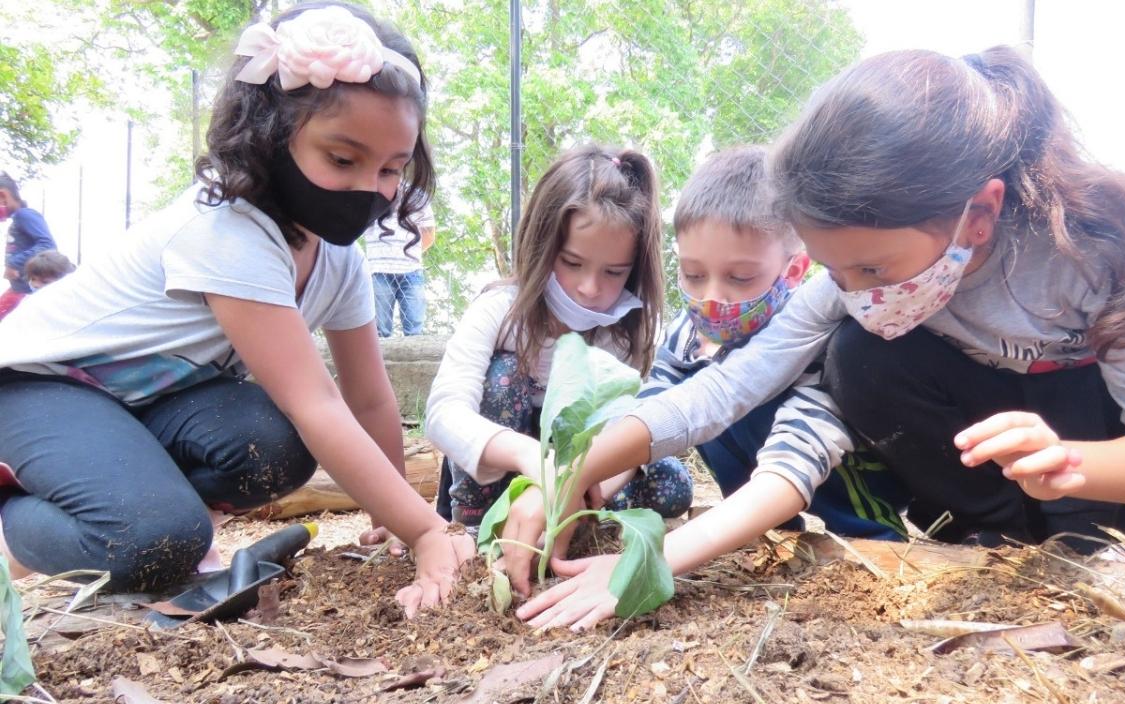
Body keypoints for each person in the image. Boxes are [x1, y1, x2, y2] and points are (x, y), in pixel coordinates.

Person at [516, 46, 1125, 630]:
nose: (856, 292)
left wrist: (1075, 463)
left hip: (1107, 450)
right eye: (834, 269)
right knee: (860, 356)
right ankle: (1001, 540)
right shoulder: (853, 290)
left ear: (980, 213)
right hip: (1000, 457)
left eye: (872, 267)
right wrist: (568, 474)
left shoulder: (1103, 259)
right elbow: (721, 389)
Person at [0, 3, 471, 615]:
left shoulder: (338, 259)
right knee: (153, 544)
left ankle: (131, 497)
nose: (369, 189)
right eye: (342, 159)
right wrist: (428, 531)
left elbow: (370, 397)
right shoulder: (227, 231)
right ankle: (28, 522)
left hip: (149, 407)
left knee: (273, 445)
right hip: (43, 389)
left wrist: (393, 515)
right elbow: (317, 402)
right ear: (272, 136)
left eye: (390, 169)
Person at [387, 145, 691, 598]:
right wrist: (536, 462)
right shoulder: (500, 311)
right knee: (504, 374)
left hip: (577, 481)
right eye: (571, 263)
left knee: (670, 481)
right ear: (540, 244)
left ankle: (577, 532)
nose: (590, 289)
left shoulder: (622, 333)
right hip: (502, 477)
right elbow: (444, 412)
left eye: (613, 272)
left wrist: (578, 481)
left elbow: (627, 427)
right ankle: (476, 539)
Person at [626, 145, 908, 539]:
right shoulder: (686, 334)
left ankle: (873, 533)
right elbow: (655, 402)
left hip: (831, 460)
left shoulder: (812, 337)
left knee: (752, 403)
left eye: (740, 278)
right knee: (700, 402)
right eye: (693, 274)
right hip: (762, 477)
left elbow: (807, 444)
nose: (712, 297)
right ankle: (762, 529)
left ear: (793, 270)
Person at [365, 198, 435, 336]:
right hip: (379, 269)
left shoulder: (419, 196)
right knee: (379, 331)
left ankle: (415, 357)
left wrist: (409, 253)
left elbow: (429, 233)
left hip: (412, 270)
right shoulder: (372, 194)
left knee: (415, 330)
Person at [0, 172, 57, 298]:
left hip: (30, 292)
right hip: (19, 289)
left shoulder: (25, 215)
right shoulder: (18, 219)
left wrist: (13, 263)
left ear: (3, 195)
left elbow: (48, 245)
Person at [0, 250, 77, 321]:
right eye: (33, 279)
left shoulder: (70, 307)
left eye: (45, 282)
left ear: (63, 281)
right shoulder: (28, 302)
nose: (35, 285)